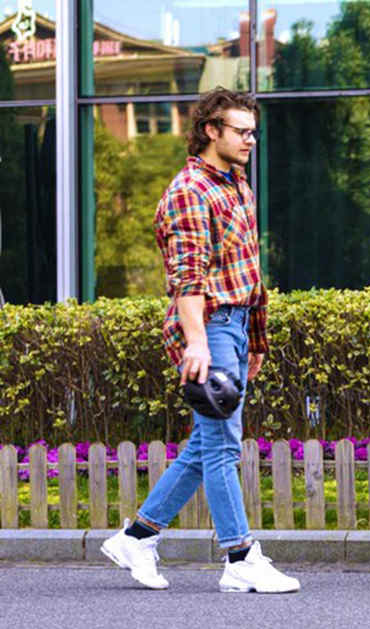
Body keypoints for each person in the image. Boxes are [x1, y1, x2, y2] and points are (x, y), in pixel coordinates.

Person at [100, 87, 299, 594]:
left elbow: (248, 274)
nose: (250, 139)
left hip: (232, 327)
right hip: (207, 328)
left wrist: (255, 340)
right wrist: (198, 344)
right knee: (222, 447)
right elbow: (187, 279)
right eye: (240, 131)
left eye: (253, 131)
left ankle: (137, 537)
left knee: (205, 446)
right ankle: (239, 557)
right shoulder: (190, 191)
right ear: (211, 130)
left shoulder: (237, 185)